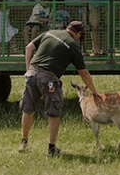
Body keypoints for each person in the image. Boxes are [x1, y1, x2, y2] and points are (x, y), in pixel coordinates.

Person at [18, 21, 100, 156]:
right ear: (78, 34)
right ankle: (51, 149)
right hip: (49, 79)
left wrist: (28, 69)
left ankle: (24, 142)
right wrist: (95, 92)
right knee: (53, 112)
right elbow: (84, 73)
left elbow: (28, 48)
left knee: (28, 109)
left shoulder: (50, 32)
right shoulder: (73, 45)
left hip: (31, 75)